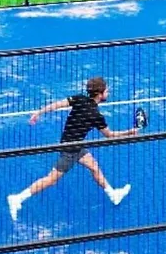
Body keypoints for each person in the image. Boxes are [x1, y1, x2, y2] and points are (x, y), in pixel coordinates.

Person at [7, 77, 137, 222]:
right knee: (51, 179)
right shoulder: (96, 115)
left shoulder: (79, 99)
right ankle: (17, 198)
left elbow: (57, 104)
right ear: (99, 94)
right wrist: (129, 132)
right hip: (71, 150)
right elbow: (109, 135)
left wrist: (39, 112)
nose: (108, 92)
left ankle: (113, 194)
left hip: (71, 143)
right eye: (106, 91)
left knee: (94, 166)